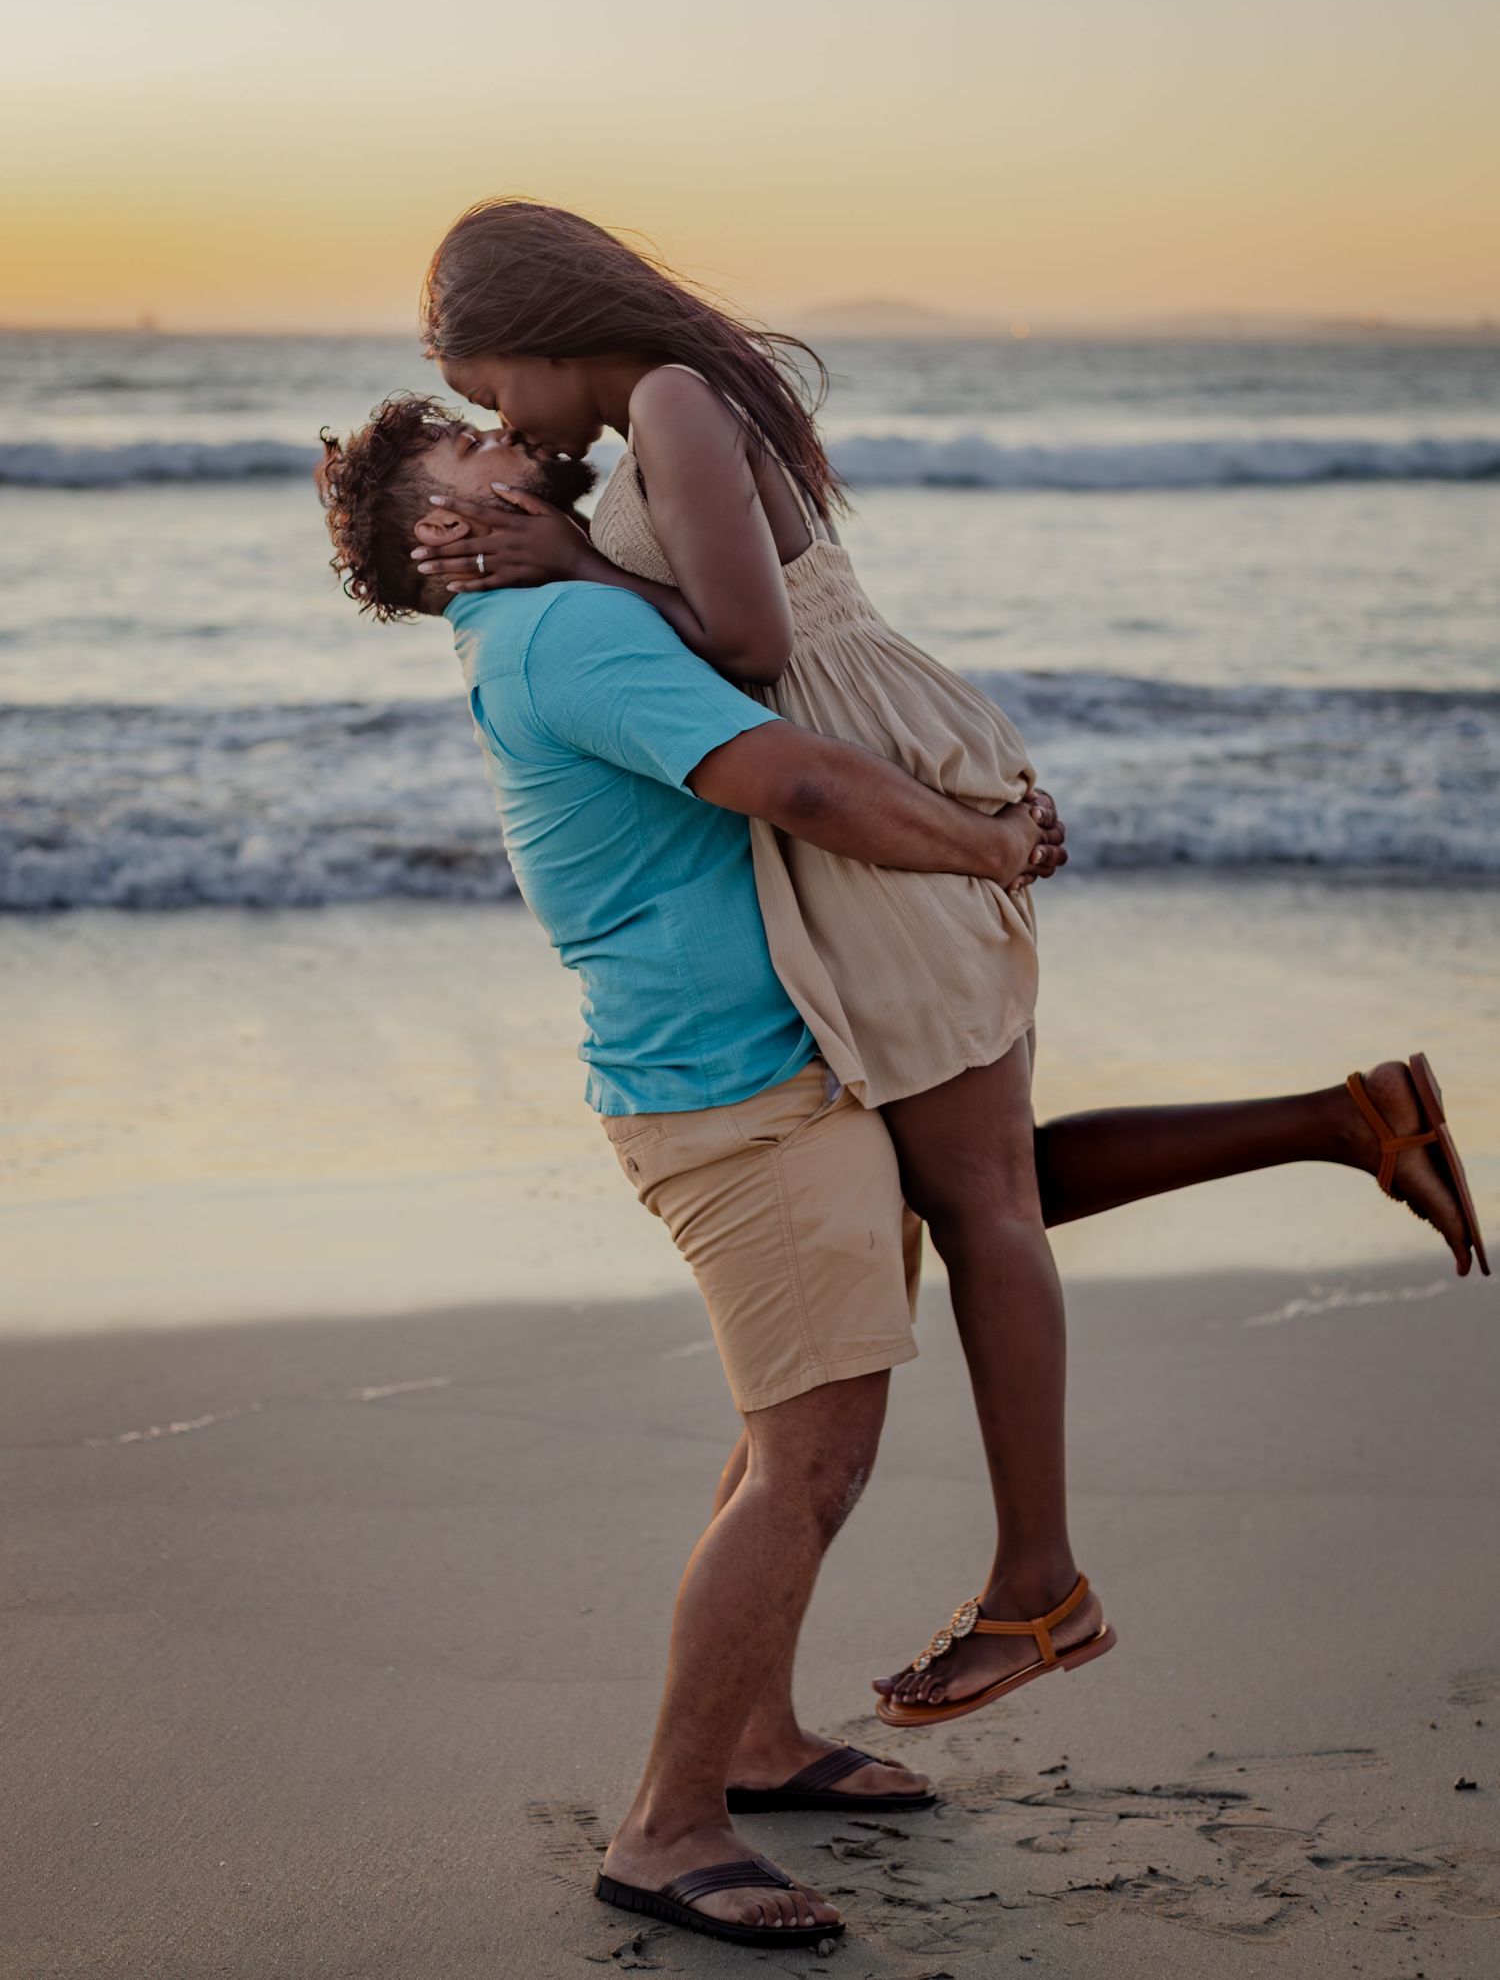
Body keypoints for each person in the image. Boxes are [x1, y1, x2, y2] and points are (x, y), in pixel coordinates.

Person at [408, 201, 1488, 1722]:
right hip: (876, 783)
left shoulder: (667, 396)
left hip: (869, 791)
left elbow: (745, 644)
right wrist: (573, 555)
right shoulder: (675, 397)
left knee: (982, 1202)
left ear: (540, 324)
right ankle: (1346, 1118)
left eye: (487, 380)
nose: (494, 416)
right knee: (981, 1183)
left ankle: (1040, 1586)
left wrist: (575, 560)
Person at [315, 394, 1072, 1950]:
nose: (508, 431)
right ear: (434, 537)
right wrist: (984, 845)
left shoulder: (551, 616)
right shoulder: (556, 641)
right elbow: (790, 778)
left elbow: (751, 662)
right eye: (470, 444)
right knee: (815, 1455)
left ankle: (756, 1736)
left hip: (765, 1067)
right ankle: (668, 1823)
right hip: (738, 1094)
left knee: (785, 1434)